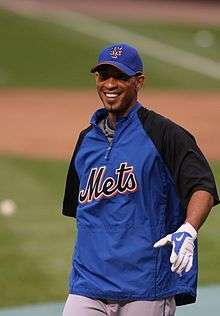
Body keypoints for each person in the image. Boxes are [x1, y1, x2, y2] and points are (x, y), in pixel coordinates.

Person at [61, 43, 219, 316]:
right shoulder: (86, 140)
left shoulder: (165, 134)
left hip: (145, 286)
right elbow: (81, 211)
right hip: (88, 284)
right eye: (104, 75)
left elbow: (202, 185)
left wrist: (189, 230)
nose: (111, 83)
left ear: (139, 82)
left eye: (121, 76)